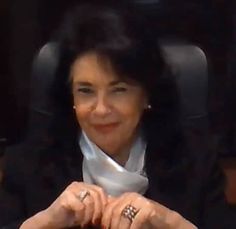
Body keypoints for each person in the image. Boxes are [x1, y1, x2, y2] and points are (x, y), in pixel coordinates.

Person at [0, 2, 234, 229]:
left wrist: (170, 221)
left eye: (119, 90)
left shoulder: (196, 161)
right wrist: (45, 221)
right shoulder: (27, 164)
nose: (101, 109)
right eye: (85, 90)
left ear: (146, 95)